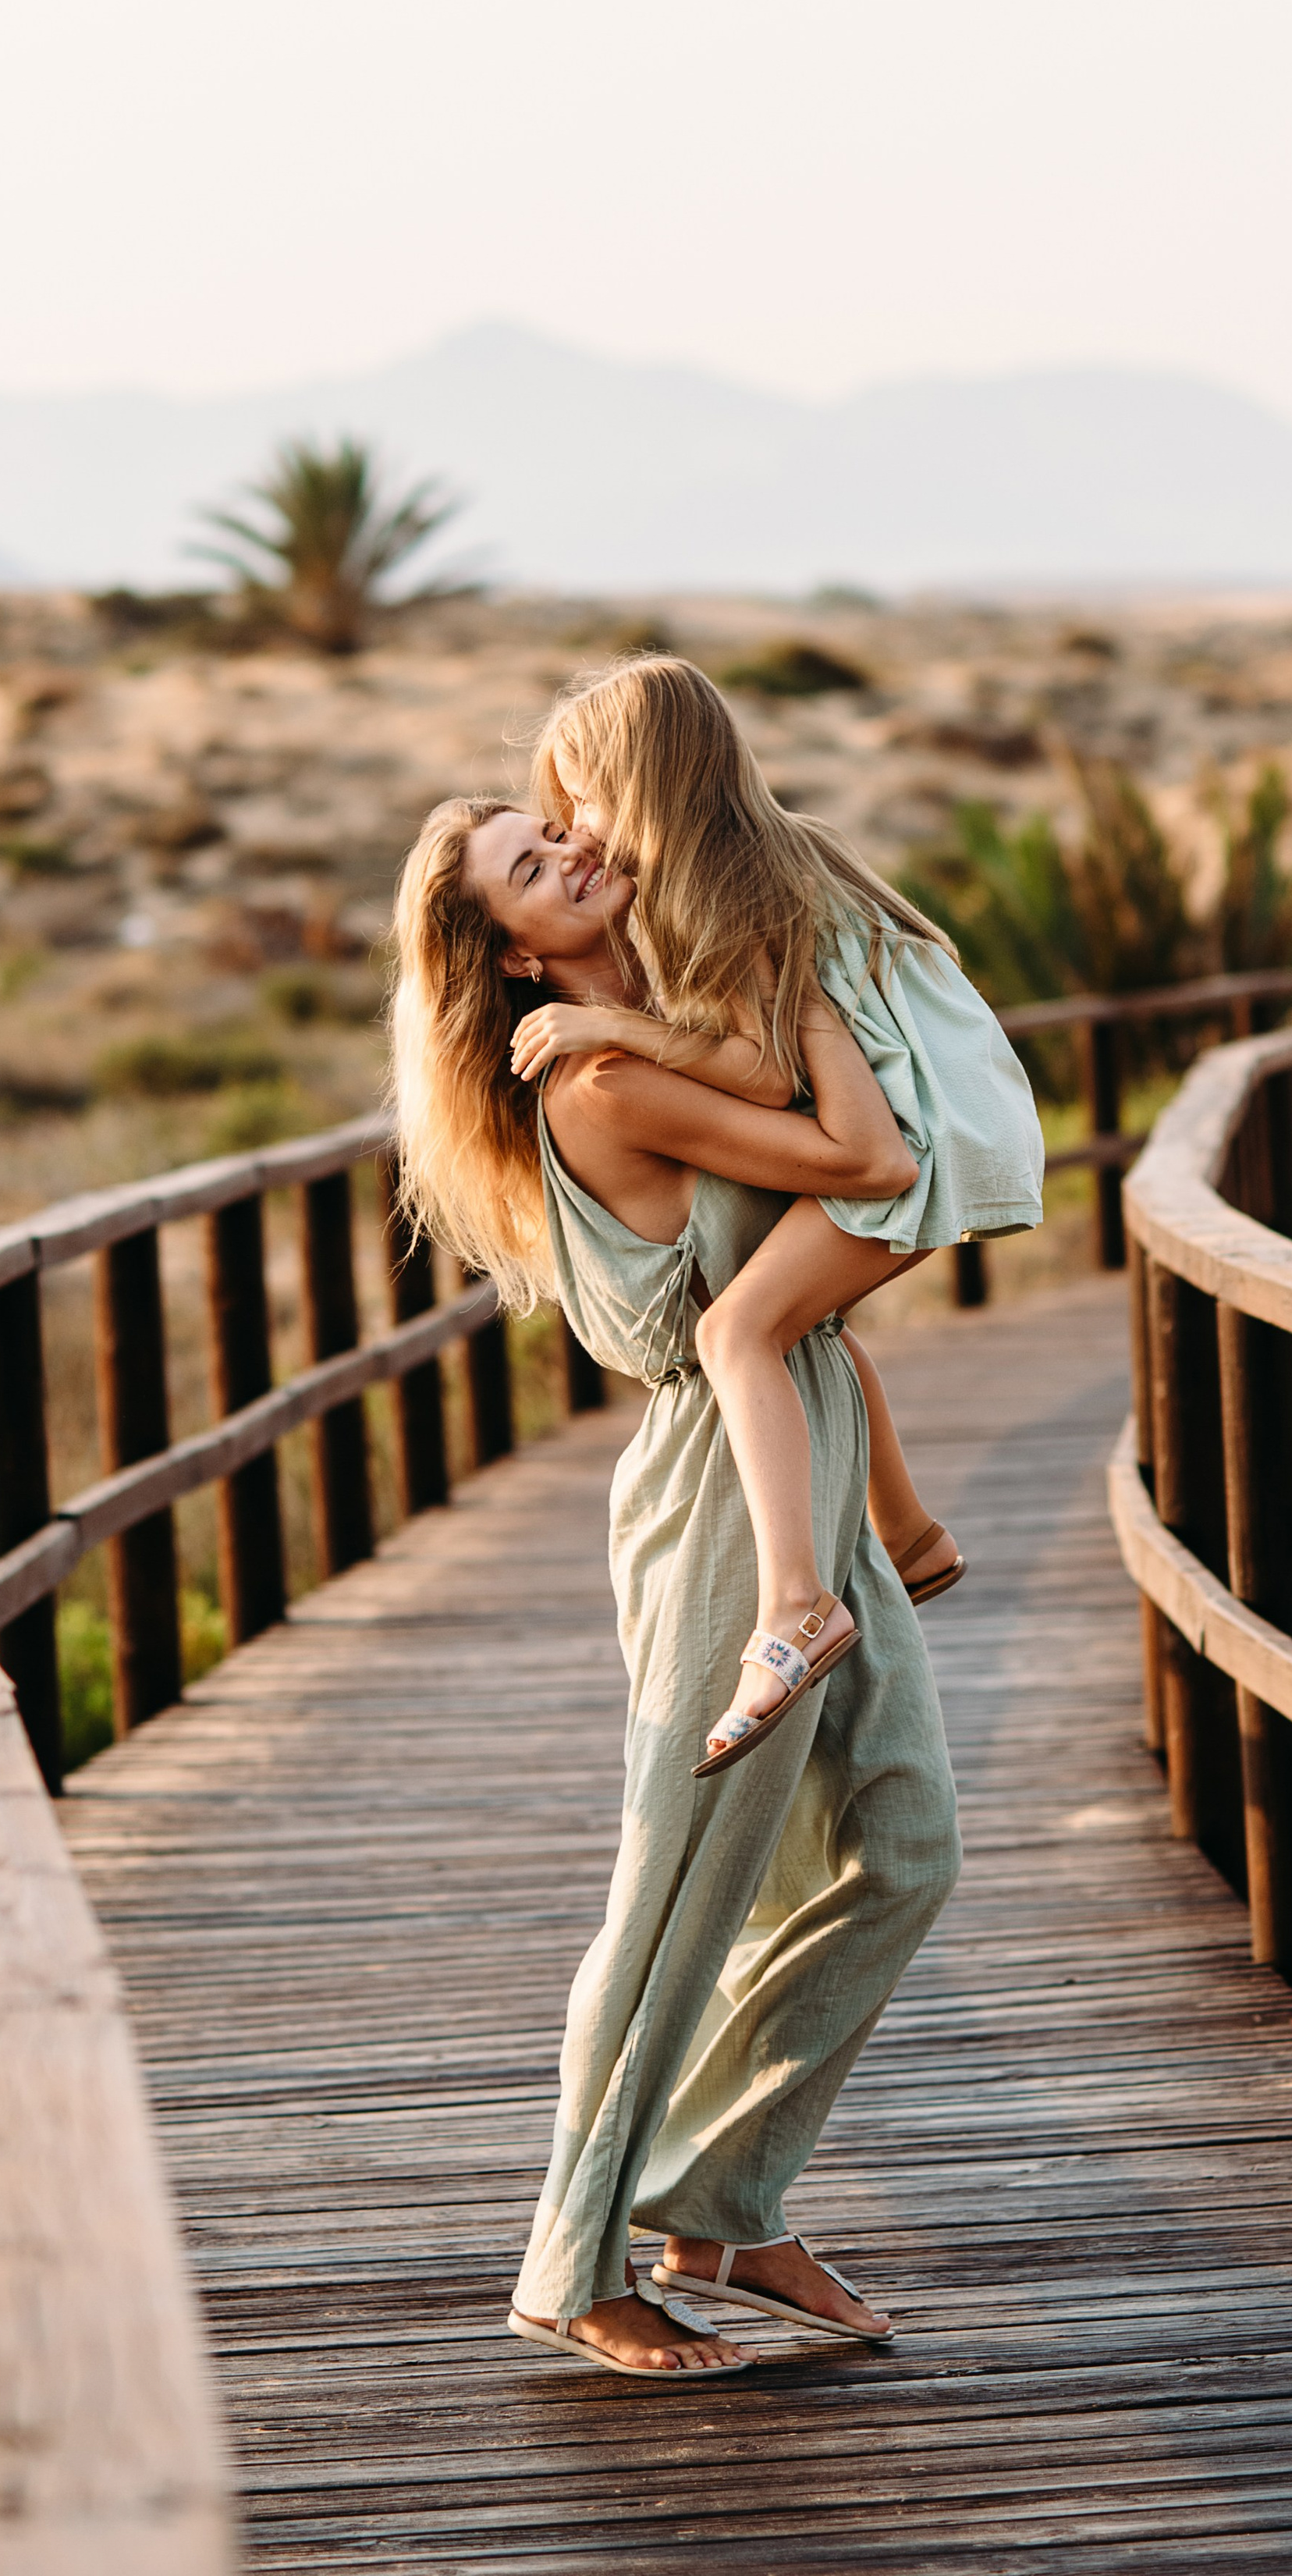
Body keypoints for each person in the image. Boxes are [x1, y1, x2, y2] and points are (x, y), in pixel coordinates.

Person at [390, 796, 962, 2378]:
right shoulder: (602, 1077)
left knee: (905, 1846)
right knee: (673, 1890)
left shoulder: (654, 1028)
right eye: (530, 866)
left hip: (807, 1463)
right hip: (724, 1494)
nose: (570, 852)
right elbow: (866, 1159)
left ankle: (718, 2194)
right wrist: (798, 980)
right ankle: (569, 2262)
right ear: (506, 951)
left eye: (560, 829)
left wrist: (894, 1508)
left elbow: (809, 1299)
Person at [522, 655, 1046, 1770]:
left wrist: (613, 1032)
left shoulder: (719, 882)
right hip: (962, 1108)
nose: (586, 831)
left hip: (915, 1127)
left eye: (592, 799)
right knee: (801, 1311)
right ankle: (911, 1537)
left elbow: (763, 1072)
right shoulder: (773, 843)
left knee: (735, 1329)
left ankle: (797, 1602)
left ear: (646, 778)